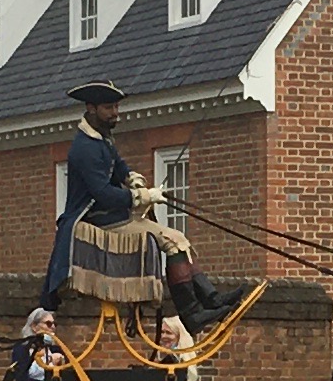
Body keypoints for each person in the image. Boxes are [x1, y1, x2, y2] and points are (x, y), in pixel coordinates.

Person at [40, 82, 234, 331]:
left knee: (178, 239)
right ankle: (192, 313)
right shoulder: (85, 148)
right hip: (98, 220)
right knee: (173, 241)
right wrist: (143, 196)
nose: (115, 113)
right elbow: (103, 194)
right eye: (109, 107)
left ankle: (211, 300)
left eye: (116, 107)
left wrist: (133, 178)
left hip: (114, 216)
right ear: (91, 108)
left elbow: (118, 165)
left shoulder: (101, 139)